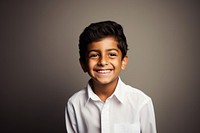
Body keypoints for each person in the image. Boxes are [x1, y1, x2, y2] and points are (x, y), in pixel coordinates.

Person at [65, 20, 157, 133]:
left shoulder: (141, 102)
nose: (103, 62)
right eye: (94, 55)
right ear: (83, 64)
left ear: (123, 61)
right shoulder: (74, 104)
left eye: (112, 54)